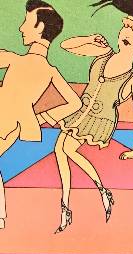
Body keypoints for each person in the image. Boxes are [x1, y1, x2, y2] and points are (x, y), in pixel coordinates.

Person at [51, 0, 133, 232]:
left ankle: (75, 203)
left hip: (99, 121)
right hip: (80, 112)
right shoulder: (103, 53)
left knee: (64, 150)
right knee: (61, 151)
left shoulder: (132, 80)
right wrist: (90, 39)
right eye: (126, 29)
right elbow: (65, 46)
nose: (126, 34)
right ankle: (80, 200)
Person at [0, 2, 81, 229]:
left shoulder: (17, 60)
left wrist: (41, 117)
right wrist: (43, 117)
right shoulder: (48, 70)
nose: (21, 28)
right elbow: (75, 103)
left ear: (40, 27)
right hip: (16, 124)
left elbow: (75, 103)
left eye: (26, 22)